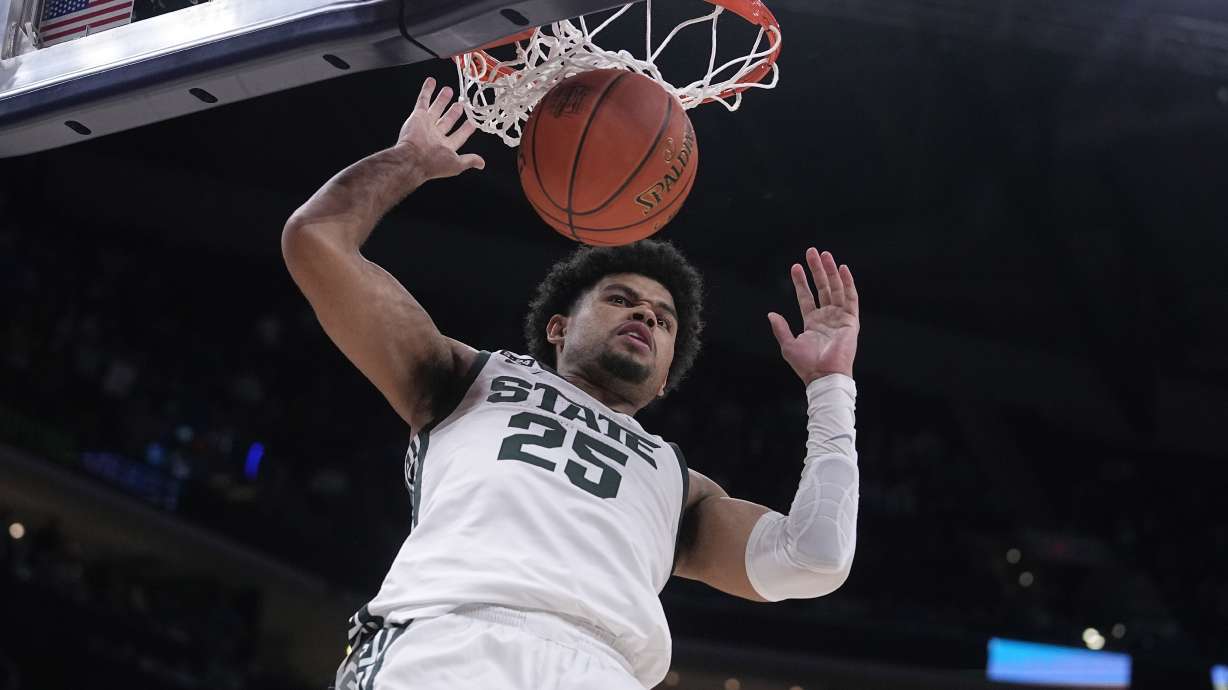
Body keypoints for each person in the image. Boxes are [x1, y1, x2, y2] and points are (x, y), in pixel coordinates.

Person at [283, 77, 862, 690]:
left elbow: (814, 557)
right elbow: (316, 241)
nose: (645, 316)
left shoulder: (678, 485)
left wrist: (830, 388)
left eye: (663, 321)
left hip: (605, 671)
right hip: (447, 642)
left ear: (665, 378)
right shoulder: (465, 378)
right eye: (622, 299)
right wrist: (410, 161)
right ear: (557, 327)